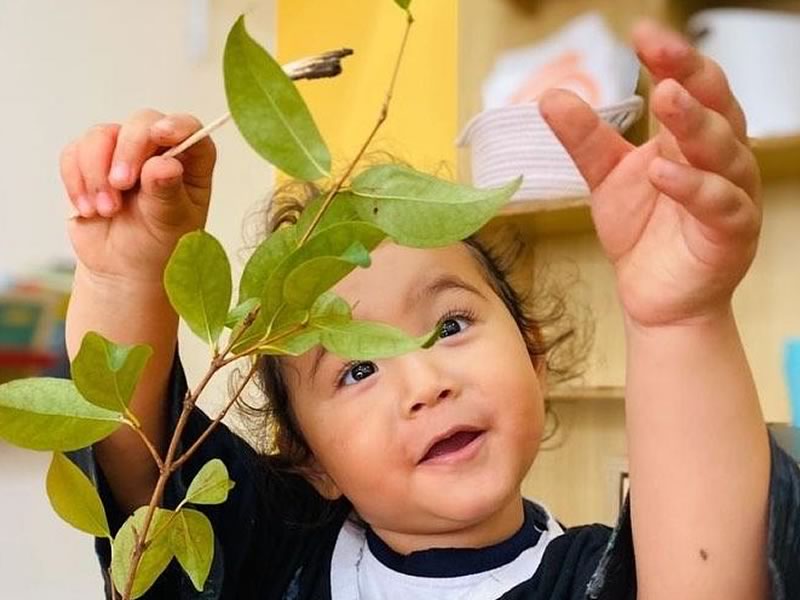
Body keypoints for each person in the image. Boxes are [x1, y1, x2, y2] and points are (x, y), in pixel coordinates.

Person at [62, 19, 800, 600]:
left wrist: (682, 320)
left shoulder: (592, 577)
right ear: (310, 458)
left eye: (449, 325)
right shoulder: (272, 557)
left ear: (533, 352)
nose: (426, 385)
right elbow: (137, 455)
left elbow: (710, 575)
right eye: (355, 369)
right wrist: (125, 275)